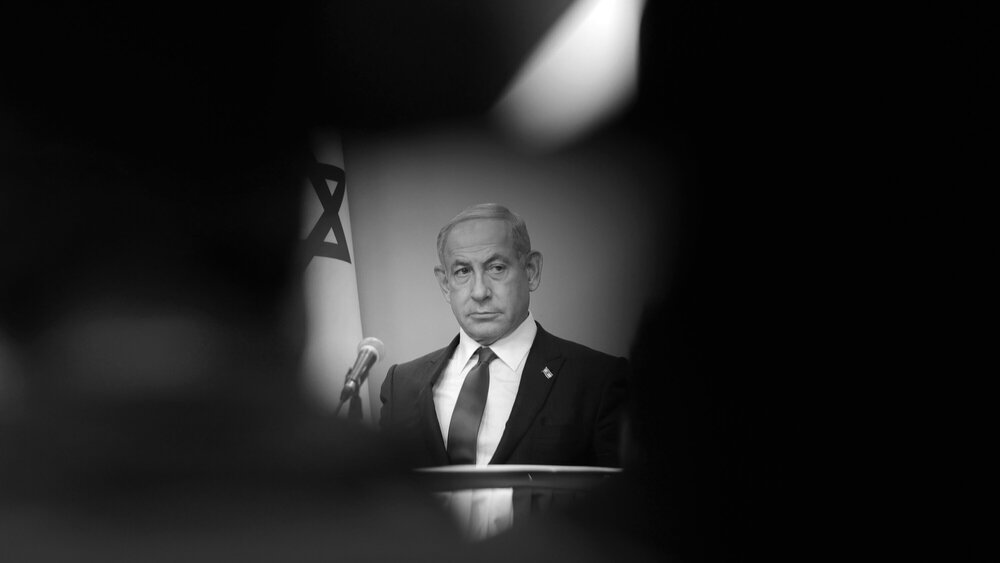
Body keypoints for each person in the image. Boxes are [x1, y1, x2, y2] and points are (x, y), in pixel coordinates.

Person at [379, 203, 629, 469]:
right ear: (445, 284)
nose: (479, 292)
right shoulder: (400, 386)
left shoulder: (599, 380)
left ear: (531, 271)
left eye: (496, 268)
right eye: (463, 271)